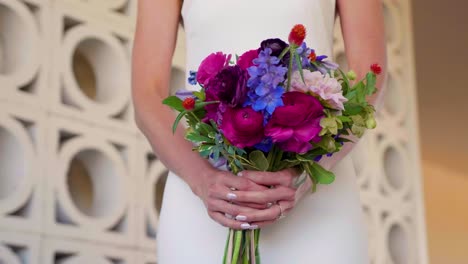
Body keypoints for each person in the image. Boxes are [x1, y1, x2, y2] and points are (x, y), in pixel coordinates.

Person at [131, 0, 386, 263]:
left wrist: (307, 175)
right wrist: (202, 180)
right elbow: (147, 94)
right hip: (203, 191)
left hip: (316, 191)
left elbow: (370, 76)